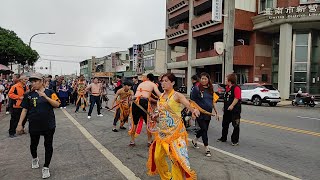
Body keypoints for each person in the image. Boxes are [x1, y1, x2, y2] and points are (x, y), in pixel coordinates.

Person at [147, 73, 200, 180]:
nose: (163, 83)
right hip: (162, 134)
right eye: (162, 81)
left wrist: (194, 110)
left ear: (173, 83)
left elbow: (188, 104)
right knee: (157, 158)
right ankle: (167, 177)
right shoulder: (161, 96)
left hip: (175, 134)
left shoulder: (177, 95)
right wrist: (155, 115)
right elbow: (160, 110)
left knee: (175, 160)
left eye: (166, 81)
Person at [16, 73, 60, 179]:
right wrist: (19, 124)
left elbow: (57, 104)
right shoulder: (28, 95)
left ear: (42, 82)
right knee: (33, 145)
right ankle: (35, 158)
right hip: (34, 124)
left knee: (48, 145)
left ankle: (46, 167)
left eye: (36, 81)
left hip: (49, 124)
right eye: (32, 81)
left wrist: (45, 97)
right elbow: (25, 109)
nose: (33, 83)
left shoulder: (50, 92)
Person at [128, 73, 162, 147]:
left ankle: (132, 141)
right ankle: (149, 141)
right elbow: (159, 94)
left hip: (135, 102)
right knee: (148, 122)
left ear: (147, 78)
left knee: (134, 122)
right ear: (152, 79)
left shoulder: (141, 84)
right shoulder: (153, 84)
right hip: (144, 102)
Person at [191, 72, 219, 157]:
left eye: (205, 79)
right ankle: (207, 148)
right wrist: (193, 111)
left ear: (208, 80)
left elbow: (213, 102)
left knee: (204, 129)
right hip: (199, 113)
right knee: (204, 129)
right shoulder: (196, 88)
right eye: (202, 78)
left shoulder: (211, 89)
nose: (203, 80)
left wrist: (216, 112)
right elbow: (192, 101)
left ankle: (194, 140)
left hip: (208, 113)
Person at [217, 73, 242, 146]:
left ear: (230, 80)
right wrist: (224, 106)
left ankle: (235, 140)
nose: (225, 80)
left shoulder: (236, 88)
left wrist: (232, 105)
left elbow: (237, 98)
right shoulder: (227, 87)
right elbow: (226, 98)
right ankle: (223, 138)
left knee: (236, 125)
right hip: (227, 110)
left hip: (235, 111)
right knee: (225, 124)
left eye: (226, 79)